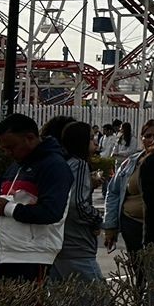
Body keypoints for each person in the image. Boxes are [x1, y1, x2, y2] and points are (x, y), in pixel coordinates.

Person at [0, 114, 71, 282]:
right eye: (4, 148)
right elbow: (10, 204)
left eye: (11, 147)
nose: (7, 152)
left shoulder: (54, 165)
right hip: (6, 252)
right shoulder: (15, 166)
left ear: (30, 138)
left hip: (34, 255)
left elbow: (52, 212)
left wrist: (6, 208)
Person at [50, 119, 103, 281]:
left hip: (57, 244)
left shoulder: (59, 163)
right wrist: (96, 219)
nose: (95, 142)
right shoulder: (79, 165)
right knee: (97, 302)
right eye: (91, 138)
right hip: (78, 245)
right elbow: (77, 203)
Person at [103, 119, 154, 254]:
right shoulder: (131, 163)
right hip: (132, 225)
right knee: (138, 269)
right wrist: (110, 227)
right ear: (142, 139)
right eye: (148, 136)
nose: (152, 140)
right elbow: (113, 192)